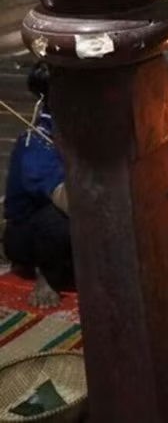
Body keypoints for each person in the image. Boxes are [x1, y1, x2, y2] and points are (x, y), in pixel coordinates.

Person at [3, 62, 71, 309]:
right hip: (28, 237)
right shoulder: (36, 143)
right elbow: (70, 204)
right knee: (62, 222)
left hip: (58, 224)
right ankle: (46, 275)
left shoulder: (75, 126)